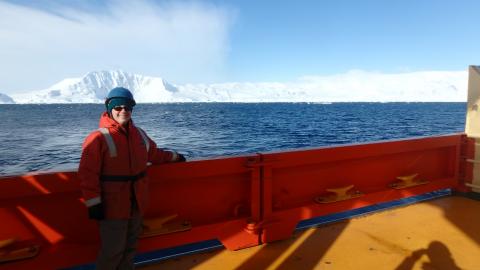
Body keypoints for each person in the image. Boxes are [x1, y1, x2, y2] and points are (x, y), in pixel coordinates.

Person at [78, 87, 185, 269]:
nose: (123, 111)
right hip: (113, 207)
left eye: (127, 107)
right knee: (112, 251)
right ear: (109, 108)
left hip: (137, 202)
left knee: (130, 248)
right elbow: (87, 173)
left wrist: (175, 157)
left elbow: (154, 154)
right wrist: (93, 203)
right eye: (118, 107)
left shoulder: (139, 134)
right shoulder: (97, 138)